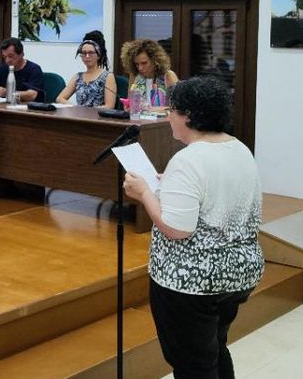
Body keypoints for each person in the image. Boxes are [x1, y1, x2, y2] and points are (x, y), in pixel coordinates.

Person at [123, 76, 263, 379]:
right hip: (237, 274)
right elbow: (216, 195)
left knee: (192, 365)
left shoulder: (188, 159)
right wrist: (168, 185)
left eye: (171, 109)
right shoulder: (239, 148)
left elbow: (177, 228)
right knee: (214, 348)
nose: (168, 116)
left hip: (192, 281)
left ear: (188, 115)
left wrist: (144, 193)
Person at [56, 31, 117, 107]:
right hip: (80, 116)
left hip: (97, 117)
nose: (87, 56)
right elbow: (60, 98)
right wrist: (76, 108)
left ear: (98, 55)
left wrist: (87, 111)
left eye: (91, 53)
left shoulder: (107, 76)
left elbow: (109, 106)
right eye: (84, 53)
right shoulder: (78, 77)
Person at [121, 38, 179, 112]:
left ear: (155, 60)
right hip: (139, 121)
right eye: (136, 64)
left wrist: (150, 109)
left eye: (144, 63)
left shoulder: (168, 76)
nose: (140, 68)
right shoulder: (134, 76)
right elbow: (130, 101)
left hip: (162, 122)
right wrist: (129, 107)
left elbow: (177, 109)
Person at [0, 37, 45, 102]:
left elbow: (32, 95)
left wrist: (8, 92)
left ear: (21, 54)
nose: (7, 60)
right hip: (4, 107)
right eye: (4, 57)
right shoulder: (2, 69)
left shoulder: (34, 69)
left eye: (11, 56)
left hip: (28, 109)